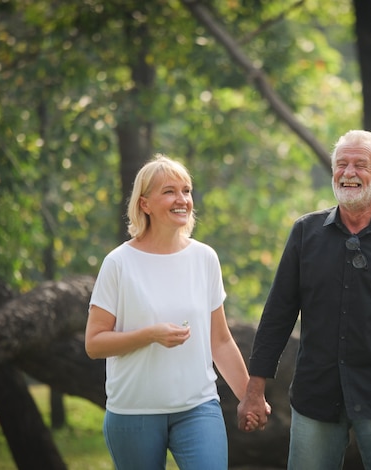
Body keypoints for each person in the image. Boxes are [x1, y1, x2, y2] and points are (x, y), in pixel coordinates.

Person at [237, 130, 371, 470]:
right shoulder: (305, 232)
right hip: (315, 397)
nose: (348, 172)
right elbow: (278, 314)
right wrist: (254, 389)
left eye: (360, 165)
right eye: (341, 164)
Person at [85, 154, 266, 470]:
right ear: (145, 204)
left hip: (197, 406)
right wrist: (150, 335)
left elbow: (220, 341)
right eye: (169, 191)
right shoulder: (118, 263)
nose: (182, 199)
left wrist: (248, 397)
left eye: (186, 190)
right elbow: (94, 342)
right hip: (133, 411)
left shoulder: (204, 258)